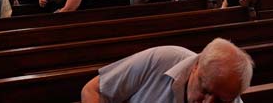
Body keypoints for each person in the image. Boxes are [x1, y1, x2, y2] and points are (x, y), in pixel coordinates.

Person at [80, 37, 253, 103]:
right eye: (205, 90)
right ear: (196, 66)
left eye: (221, 102)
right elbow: (92, 90)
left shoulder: (230, 94)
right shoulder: (161, 60)